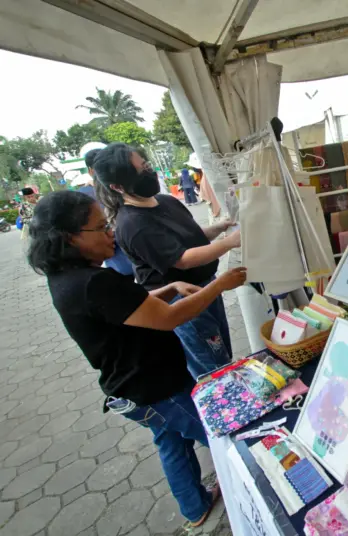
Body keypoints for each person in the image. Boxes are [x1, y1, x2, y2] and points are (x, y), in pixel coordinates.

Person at [26, 190, 247, 527]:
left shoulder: (68, 278)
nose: (110, 233)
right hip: (157, 388)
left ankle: (194, 506)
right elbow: (168, 319)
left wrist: (168, 289)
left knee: (171, 443)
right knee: (223, 436)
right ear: (71, 238)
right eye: (100, 228)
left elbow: (129, 309)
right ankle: (260, 492)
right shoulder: (93, 282)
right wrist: (218, 286)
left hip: (132, 390)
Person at [93, 143, 241, 379]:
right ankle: (226, 405)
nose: (148, 172)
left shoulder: (165, 201)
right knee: (212, 366)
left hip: (206, 287)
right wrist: (229, 242)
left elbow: (190, 238)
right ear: (117, 186)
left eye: (146, 165)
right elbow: (181, 259)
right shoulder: (132, 224)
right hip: (182, 299)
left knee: (222, 353)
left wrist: (220, 228)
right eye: (139, 171)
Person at [81, 149, 135, 276]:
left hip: (114, 251)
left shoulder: (83, 195)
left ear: (90, 170)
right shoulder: (125, 185)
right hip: (133, 242)